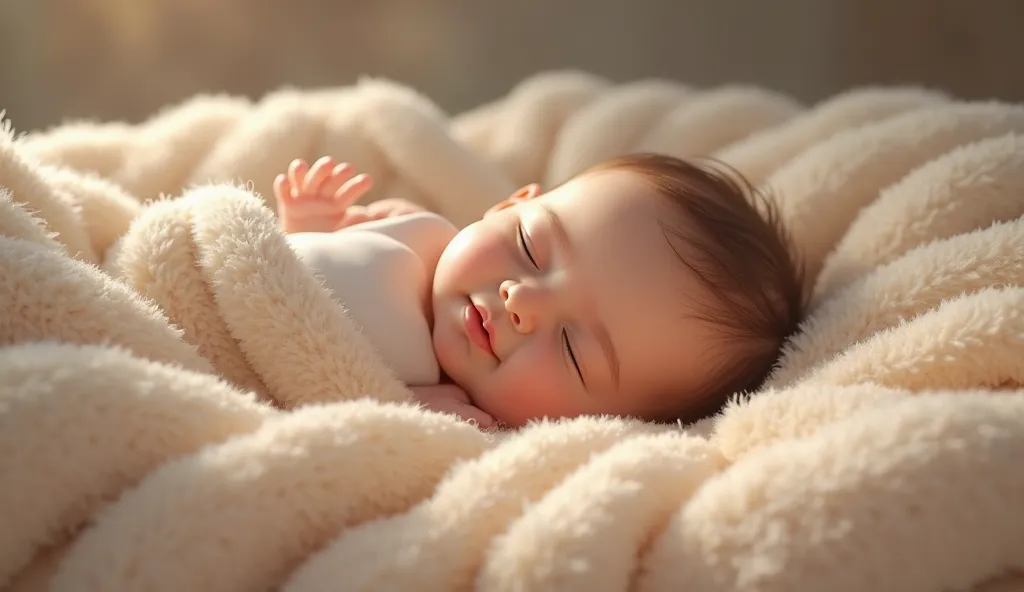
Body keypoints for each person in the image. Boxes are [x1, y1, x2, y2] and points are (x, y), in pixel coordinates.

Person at [277, 153, 804, 430]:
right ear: (509, 205)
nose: (521, 303)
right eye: (530, 246)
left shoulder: (456, 419)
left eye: (573, 348)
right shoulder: (417, 228)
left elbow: (324, 419)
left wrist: (395, 406)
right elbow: (288, 264)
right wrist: (305, 226)